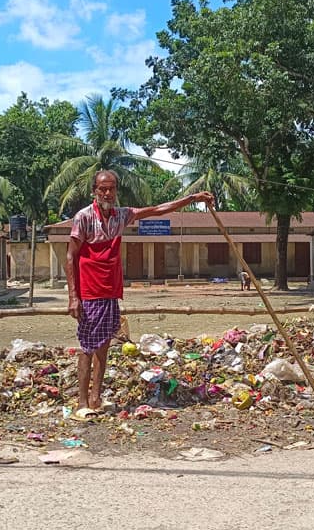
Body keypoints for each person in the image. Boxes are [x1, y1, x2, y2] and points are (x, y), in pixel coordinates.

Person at [67, 170, 213, 417]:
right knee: (87, 347)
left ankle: (95, 399)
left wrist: (191, 199)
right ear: (94, 191)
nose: (107, 193)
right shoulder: (83, 217)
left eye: (111, 188)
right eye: (102, 189)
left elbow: (157, 209)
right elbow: (71, 257)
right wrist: (73, 296)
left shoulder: (122, 216)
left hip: (110, 290)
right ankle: (81, 402)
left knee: (103, 346)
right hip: (89, 291)